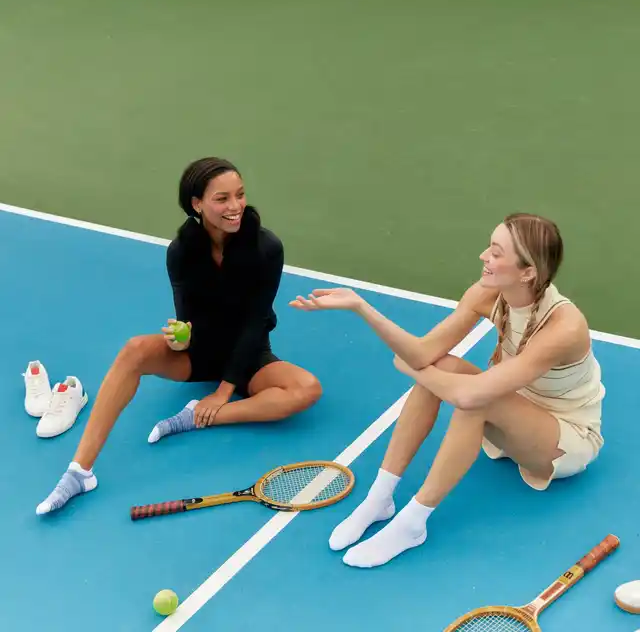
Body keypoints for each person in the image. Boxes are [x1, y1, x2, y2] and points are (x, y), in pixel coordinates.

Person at [291, 213, 605, 568]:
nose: (484, 257)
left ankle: (412, 524)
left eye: (497, 253)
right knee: (444, 368)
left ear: (528, 272)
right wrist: (362, 307)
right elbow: (424, 353)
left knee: (471, 395)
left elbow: (466, 394)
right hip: (512, 409)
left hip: (564, 440)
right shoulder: (487, 294)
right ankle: (380, 499)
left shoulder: (564, 326)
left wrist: (415, 368)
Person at [36, 156, 322, 515]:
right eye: (222, 199)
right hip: (200, 354)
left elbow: (256, 321)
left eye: (240, 195)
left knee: (307, 389)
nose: (235, 207)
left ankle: (197, 417)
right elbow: (187, 318)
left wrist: (223, 393)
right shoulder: (182, 251)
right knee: (135, 349)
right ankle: (79, 472)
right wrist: (180, 338)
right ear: (197, 204)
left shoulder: (267, 248)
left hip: (250, 355)